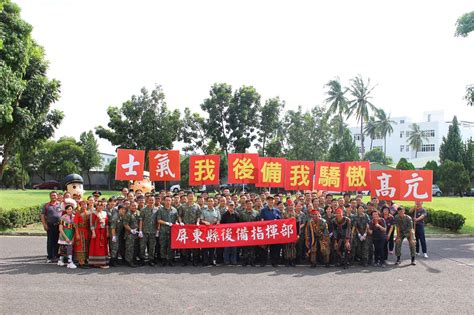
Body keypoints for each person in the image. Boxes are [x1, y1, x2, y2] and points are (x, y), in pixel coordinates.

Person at [178, 192, 202, 266]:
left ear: (194, 197)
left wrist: (198, 222)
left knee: (194, 245)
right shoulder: (182, 206)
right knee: (185, 245)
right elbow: (179, 216)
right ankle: (185, 261)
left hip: (194, 228)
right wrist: (180, 222)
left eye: (192, 196)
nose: (191, 197)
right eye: (189, 196)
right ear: (187, 197)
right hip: (185, 228)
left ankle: (195, 261)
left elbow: (198, 216)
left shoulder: (197, 206)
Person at [156, 196, 179, 266]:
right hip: (163, 231)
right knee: (163, 246)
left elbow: (177, 219)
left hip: (172, 232)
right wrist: (166, 223)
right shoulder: (160, 210)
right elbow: (158, 220)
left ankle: (170, 260)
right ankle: (163, 260)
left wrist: (177, 222)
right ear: (164, 201)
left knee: (171, 246)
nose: (168, 202)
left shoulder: (174, 210)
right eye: (166, 200)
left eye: (169, 200)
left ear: (171, 201)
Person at [40, 191, 63, 263]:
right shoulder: (46, 205)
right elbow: (42, 215)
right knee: (50, 241)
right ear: (50, 196)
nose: (53, 197)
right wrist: (44, 225)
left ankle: (56, 256)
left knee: (58, 241)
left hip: (59, 225)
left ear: (57, 196)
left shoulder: (60, 205)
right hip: (50, 225)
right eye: (52, 195)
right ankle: (50, 256)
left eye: (55, 195)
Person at [260, 196, 282, 267]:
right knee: (264, 248)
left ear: (273, 201)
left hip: (274, 232)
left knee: (274, 248)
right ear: (267, 201)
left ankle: (274, 262)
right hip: (266, 231)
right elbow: (261, 220)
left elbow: (280, 221)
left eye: (271, 200)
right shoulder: (263, 210)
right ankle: (263, 262)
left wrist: (277, 221)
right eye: (269, 200)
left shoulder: (277, 210)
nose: (270, 202)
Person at [200, 197, 221, 266]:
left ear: (213, 202)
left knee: (213, 247)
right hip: (205, 231)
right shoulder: (203, 211)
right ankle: (205, 261)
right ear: (207, 202)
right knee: (205, 247)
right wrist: (205, 222)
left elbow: (219, 219)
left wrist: (217, 222)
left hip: (213, 231)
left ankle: (212, 260)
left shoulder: (217, 211)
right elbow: (201, 220)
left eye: (211, 201)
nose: (210, 202)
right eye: (209, 201)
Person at [88, 201, 109, 268]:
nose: (100, 206)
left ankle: (103, 261)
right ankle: (96, 262)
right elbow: (92, 224)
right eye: (98, 205)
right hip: (97, 231)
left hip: (103, 231)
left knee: (103, 246)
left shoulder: (105, 213)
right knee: (97, 246)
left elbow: (107, 224)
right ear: (96, 206)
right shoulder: (93, 213)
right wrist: (93, 232)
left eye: (101, 205)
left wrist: (107, 232)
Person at [139, 195, 158, 266]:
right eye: (150, 200)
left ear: (154, 201)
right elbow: (141, 220)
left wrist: (157, 230)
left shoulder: (157, 209)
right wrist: (140, 230)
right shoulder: (143, 210)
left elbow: (157, 221)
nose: (151, 201)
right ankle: (142, 260)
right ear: (147, 201)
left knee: (152, 247)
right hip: (144, 231)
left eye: (152, 200)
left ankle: (151, 260)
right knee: (142, 246)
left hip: (153, 231)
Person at [239, 200, 259, 266]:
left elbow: (258, 223)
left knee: (252, 248)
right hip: (245, 232)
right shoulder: (242, 213)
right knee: (245, 248)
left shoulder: (256, 213)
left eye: (250, 203)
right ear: (246, 205)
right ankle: (245, 261)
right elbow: (239, 223)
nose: (249, 205)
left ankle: (252, 261)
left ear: (252, 204)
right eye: (248, 204)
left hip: (253, 232)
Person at [57, 204, 77, 269]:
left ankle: (63, 260)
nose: (69, 210)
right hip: (64, 234)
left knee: (69, 248)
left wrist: (73, 237)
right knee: (64, 248)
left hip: (71, 234)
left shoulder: (74, 217)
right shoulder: (63, 217)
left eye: (71, 209)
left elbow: (75, 228)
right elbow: (60, 229)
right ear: (66, 210)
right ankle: (69, 262)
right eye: (68, 209)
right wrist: (65, 237)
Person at [220, 201, 240, 265]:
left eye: (232, 205)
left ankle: (233, 261)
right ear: (227, 206)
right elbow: (221, 224)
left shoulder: (237, 214)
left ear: (234, 206)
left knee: (234, 249)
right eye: (230, 205)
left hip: (234, 234)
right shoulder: (224, 215)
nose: (231, 207)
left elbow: (240, 224)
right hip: (227, 234)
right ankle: (226, 261)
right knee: (226, 249)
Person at [123, 202, 141, 267]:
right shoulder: (128, 214)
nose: (134, 207)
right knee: (129, 248)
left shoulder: (138, 212)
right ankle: (129, 261)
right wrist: (131, 230)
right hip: (129, 234)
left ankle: (134, 259)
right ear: (130, 206)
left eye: (135, 206)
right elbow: (125, 224)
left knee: (135, 248)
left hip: (136, 234)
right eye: (133, 206)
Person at [73, 200, 90, 268]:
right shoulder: (78, 213)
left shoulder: (88, 213)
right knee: (80, 246)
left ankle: (84, 260)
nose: (84, 206)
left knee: (85, 246)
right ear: (80, 205)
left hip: (86, 231)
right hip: (80, 231)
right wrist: (77, 233)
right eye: (83, 204)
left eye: (85, 204)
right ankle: (81, 262)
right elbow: (75, 224)